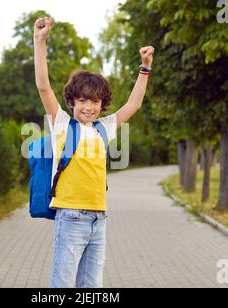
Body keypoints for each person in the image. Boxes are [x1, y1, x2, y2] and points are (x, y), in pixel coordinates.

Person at [33, 16, 154, 288]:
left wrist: (144, 68)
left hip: (99, 218)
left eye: (95, 101)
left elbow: (133, 104)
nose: (89, 107)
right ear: (72, 101)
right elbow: (43, 86)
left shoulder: (104, 128)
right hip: (71, 216)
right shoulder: (62, 124)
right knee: (63, 285)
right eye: (83, 100)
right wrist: (39, 42)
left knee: (91, 287)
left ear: (103, 104)